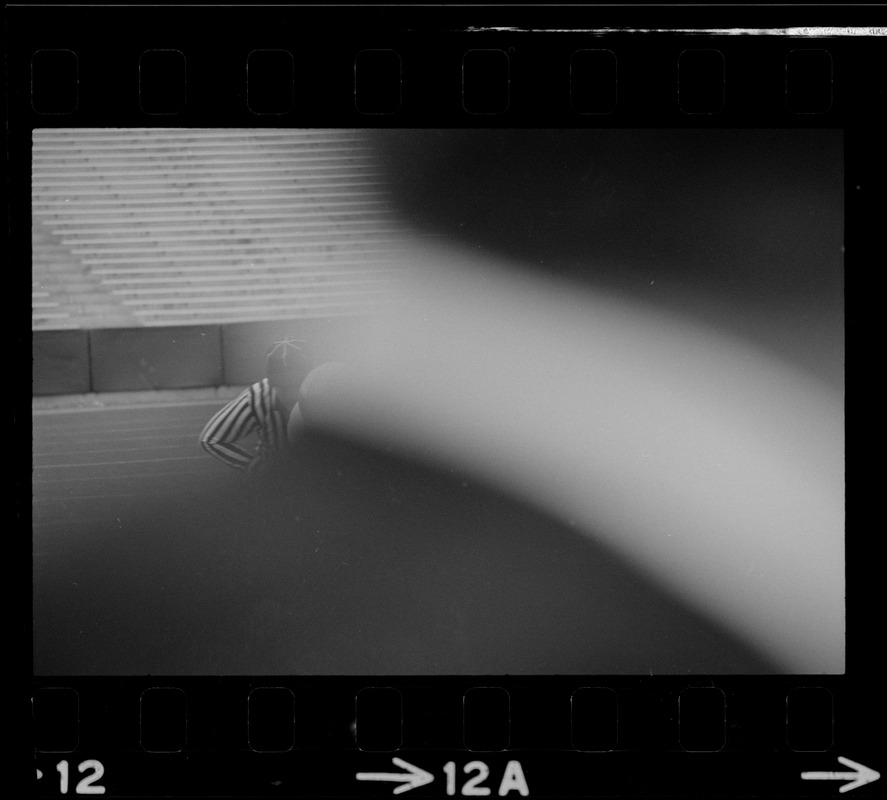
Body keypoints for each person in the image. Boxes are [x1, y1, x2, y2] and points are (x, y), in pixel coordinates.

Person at [199, 339, 311, 473]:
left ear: (311, 377)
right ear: (271, 382)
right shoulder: (258, 396)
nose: (290, 394)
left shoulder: (329, 390)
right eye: (281, 386)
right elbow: (211, 439)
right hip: (279, 480)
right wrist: (258, 468)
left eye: (297, 384)